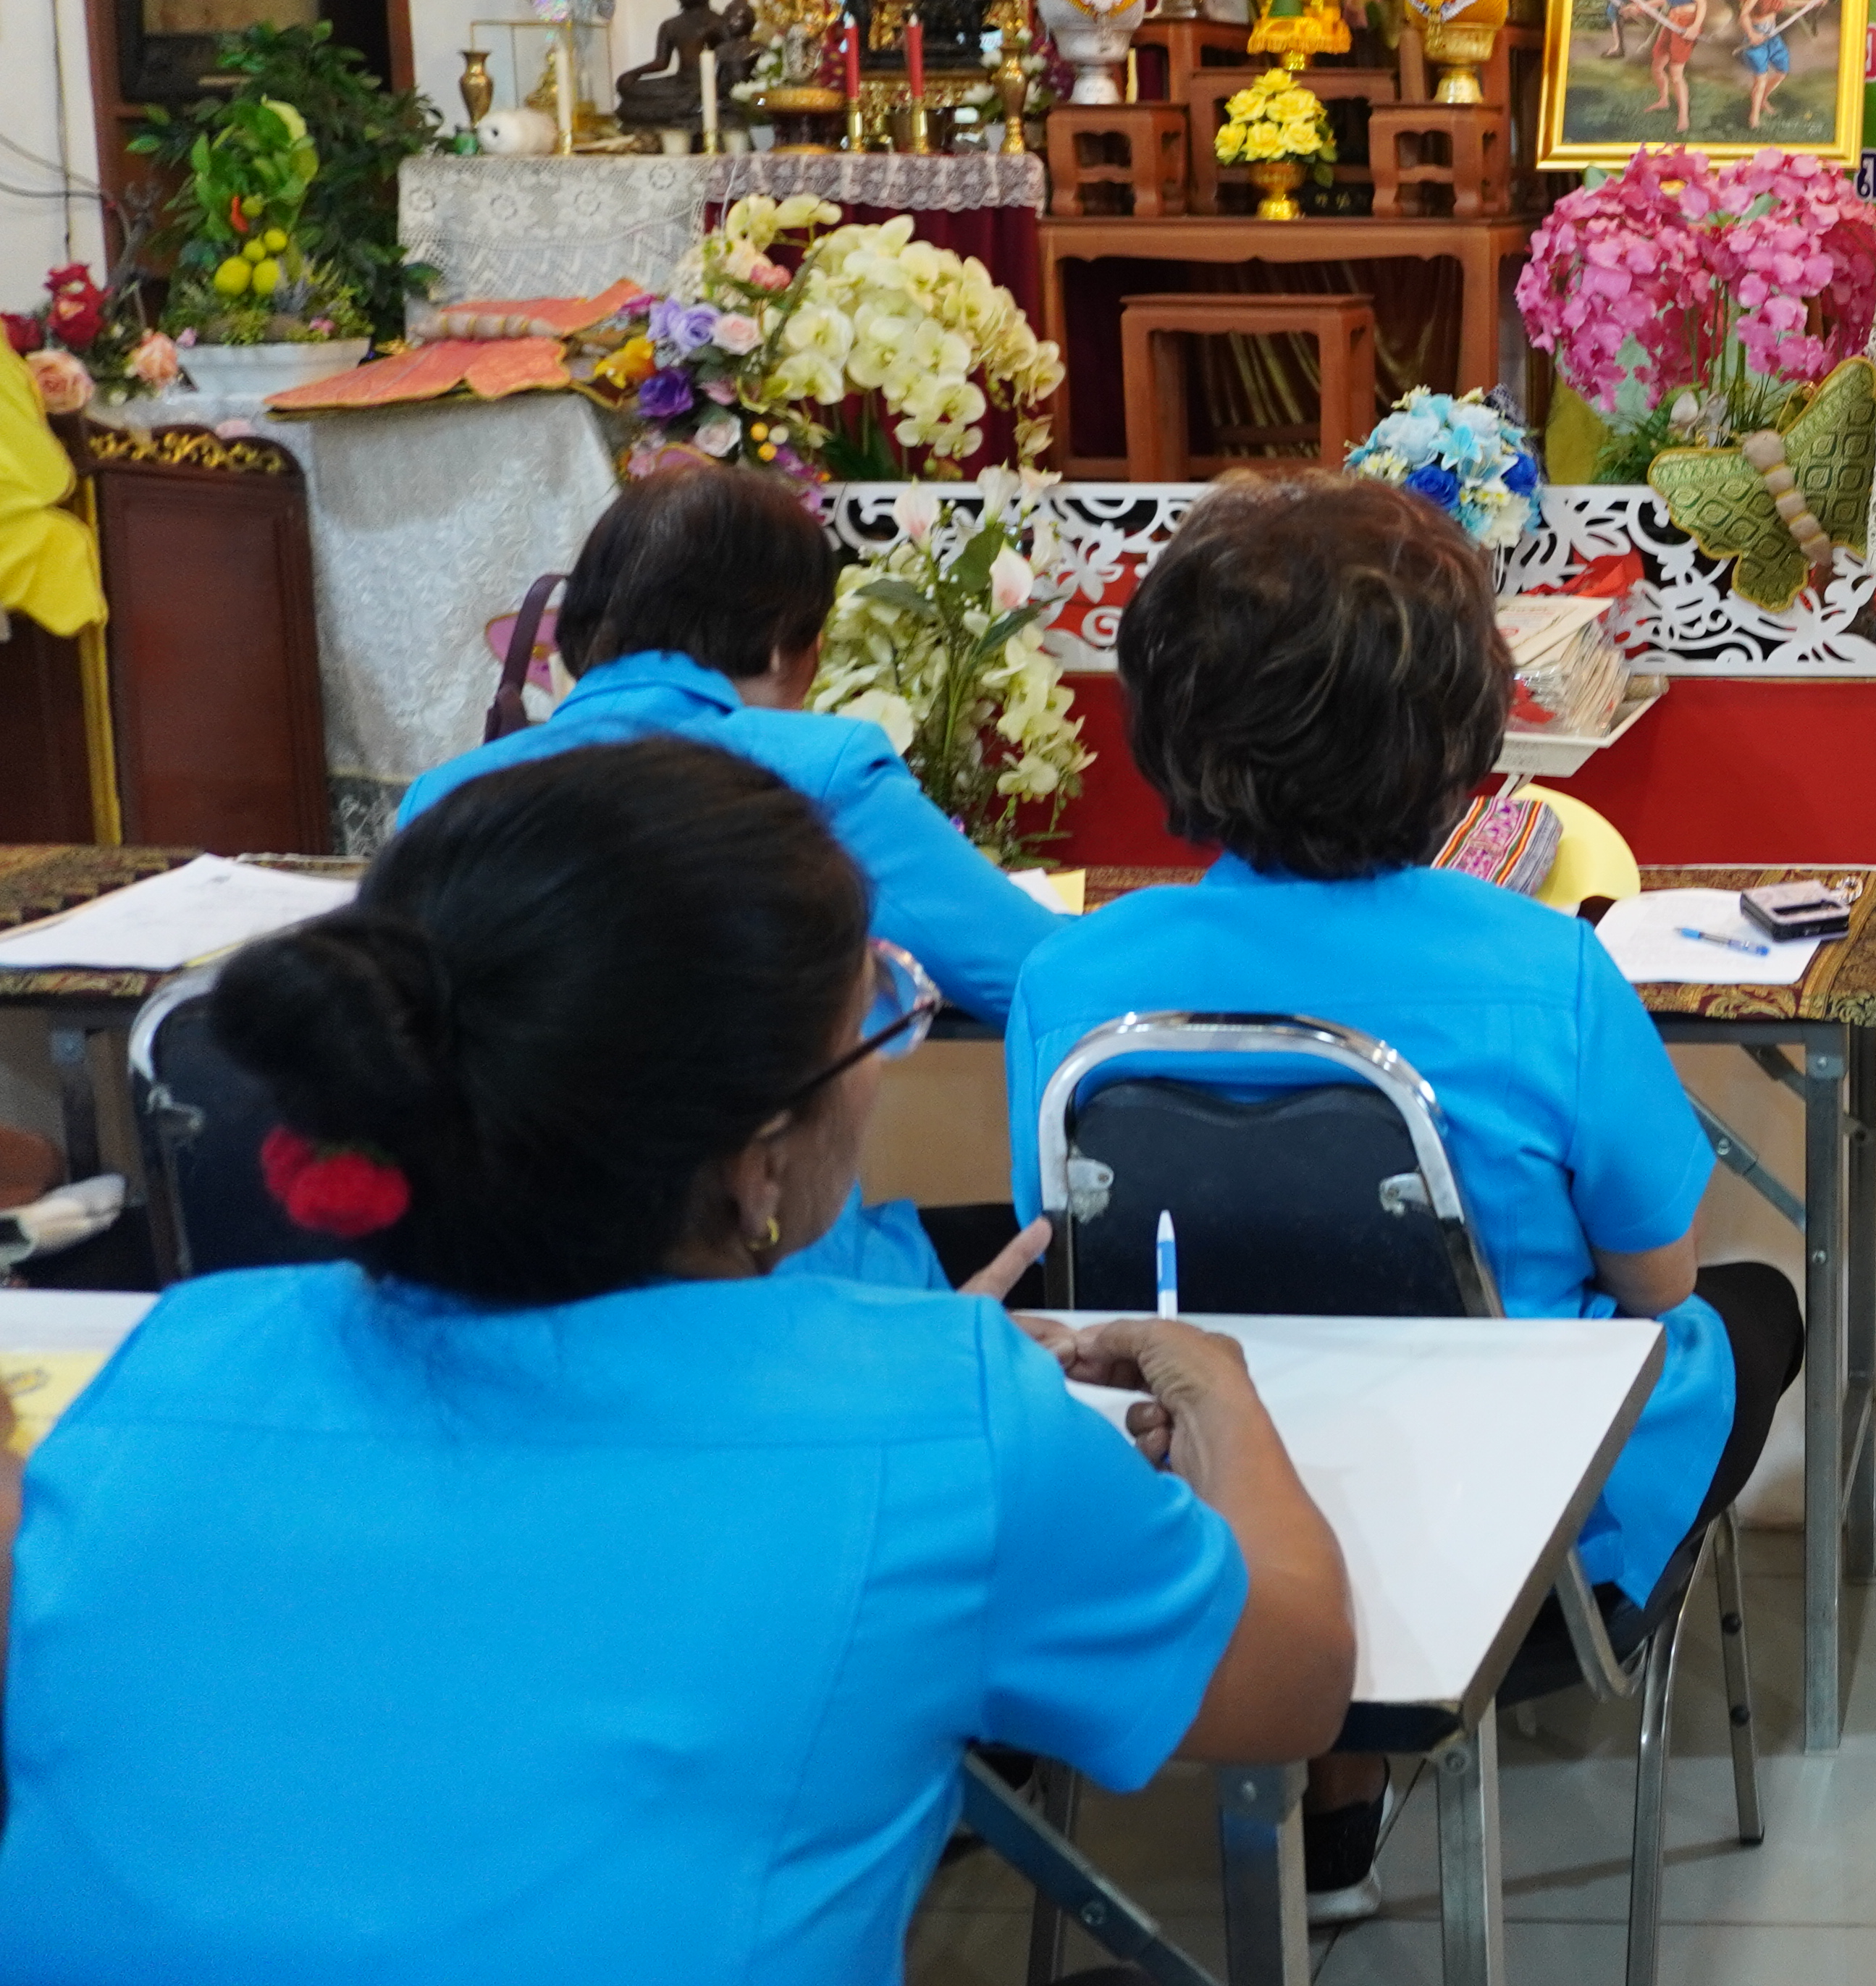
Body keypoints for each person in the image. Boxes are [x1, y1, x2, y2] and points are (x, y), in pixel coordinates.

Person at [0, 739, 1351, 1978]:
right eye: (878, 1023)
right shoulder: (947, 1420)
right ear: (763, 1157)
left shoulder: (179, 1357)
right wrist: (1213, 1383)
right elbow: (1291, 1682)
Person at [1003, 472, 1800, 1916]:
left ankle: (1340, 1792)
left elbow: (1080, 1281)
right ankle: (1368, 1780)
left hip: (1192, 1501)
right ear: (1464, 733)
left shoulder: (1074, 981)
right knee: (1750, 1307)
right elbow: (1656, 1285)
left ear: (1168, 714)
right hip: (1505, 1529)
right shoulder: (1550, 967)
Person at [400, 462, 1071, 1292]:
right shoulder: (816, 772)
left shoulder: (443, 797)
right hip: (772, 1271)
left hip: (504, 1272)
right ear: (794, 643)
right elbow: (1050, 979)